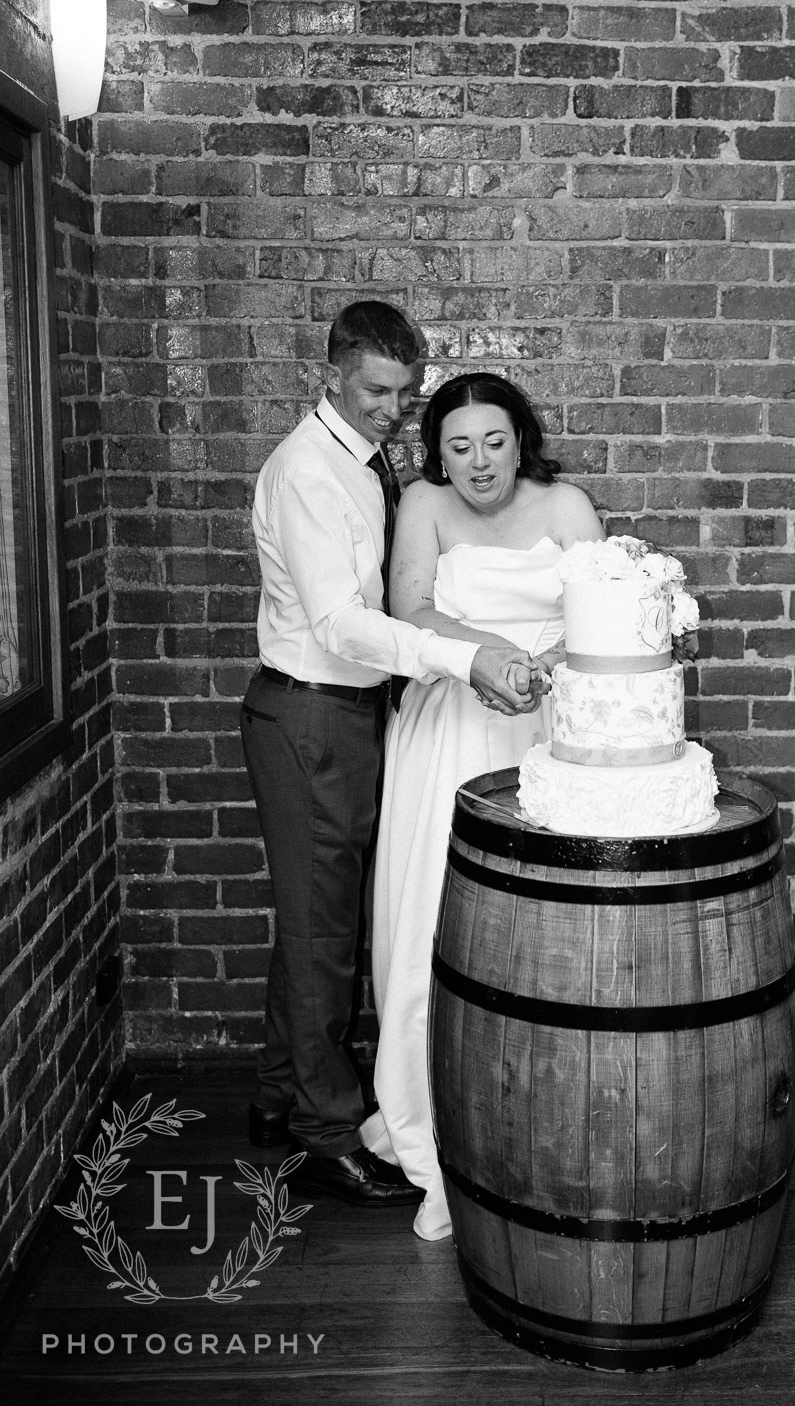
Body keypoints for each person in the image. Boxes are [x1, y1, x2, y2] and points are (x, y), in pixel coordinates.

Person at [241, 306, 540, 1206]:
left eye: (405, 393)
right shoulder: (306, 472)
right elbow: (338, 623)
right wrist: (460, 658)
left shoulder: (361, 462)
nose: (392, 410)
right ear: (331, 374)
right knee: (325, 933)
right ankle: (328, 1133)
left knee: (313, 918)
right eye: (376, 390)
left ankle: (276, 1093)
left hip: (349, 715)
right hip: (308, 716)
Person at [359, 372, 605, 1240]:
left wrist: (540, 672)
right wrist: (492, 656)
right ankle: (434, 1142)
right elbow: (412, 608)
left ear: (520, 437)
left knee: (548, 934)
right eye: (458, 447)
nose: (478, 463)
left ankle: (545, 1128)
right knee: (436, 919)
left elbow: (599, 616)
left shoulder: (566, 504)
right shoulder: (422, 504)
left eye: (494, 442)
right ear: (439, 454)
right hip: (452, 723)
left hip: (547, 727)